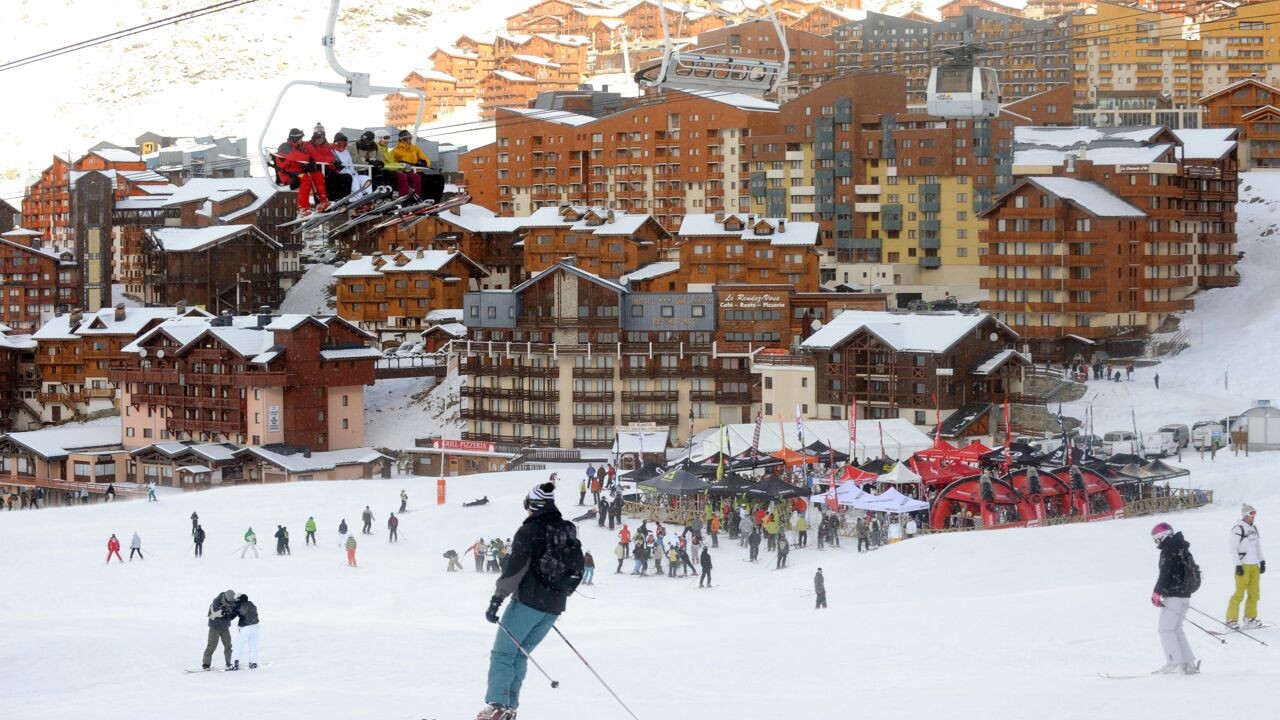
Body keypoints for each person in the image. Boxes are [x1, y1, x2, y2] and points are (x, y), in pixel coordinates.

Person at [478, 482, 582, 719]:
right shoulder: (566, 530)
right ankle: (509, 706)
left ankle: (498, 705)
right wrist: (557, 595)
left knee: (503, 653)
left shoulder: (530, 530)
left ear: (532, 505)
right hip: (555, 606)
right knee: (520, 653)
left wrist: (497, 599)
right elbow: (577, 567)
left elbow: (515, 569)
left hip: (529, 602)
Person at [1151, 522, 1200, 674]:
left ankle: (1173, 662)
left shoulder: (1168, 550)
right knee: (1176, 629)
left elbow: (1165, 573)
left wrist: (1156, 592)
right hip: (1184, 595)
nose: (1157, 543)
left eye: (1156, 539)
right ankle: (1187, 663)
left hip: (1173, 595)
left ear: (1163, 537)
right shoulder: (1182, 548)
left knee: (1165, 629)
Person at [1226, 503, 1265, 630]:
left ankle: (1250, 618)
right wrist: (1238, 565)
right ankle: (1231, 620)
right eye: (1251, 513)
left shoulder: (1254, 528)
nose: (1254, 516)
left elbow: (1257, 546)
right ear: (1245, 515)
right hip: (1243, 566)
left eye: (1255, 513)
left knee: (1254, 593)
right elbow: (1233, 548)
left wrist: (1262, 561)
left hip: (1254, 566)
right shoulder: (1238, 528)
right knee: (1239, 594)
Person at [274, 127, 328, 215]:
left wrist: (309, 165)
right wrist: (308, 159)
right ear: (295, 139)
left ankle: (322, 201)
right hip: (288, 174)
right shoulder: (284, 146)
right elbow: (295, 156)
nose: (301, 141)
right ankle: (303, 208)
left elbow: (302, 158)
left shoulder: (299, 147)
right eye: (300, 139)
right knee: (305, 179)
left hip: (298, 172)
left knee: (318, 174)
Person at [202, 589, 237, 671]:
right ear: (226, 597)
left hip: (225, 627)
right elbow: (215, 612)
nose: (231, 602)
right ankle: (206, 664)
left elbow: (231, 614)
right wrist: (225, 609)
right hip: (214, 628)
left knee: (228, 646)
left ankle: (229, 662)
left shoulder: (232, 601)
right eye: (230, 601)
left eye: (232, 601)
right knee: (211, 646)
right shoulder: (216, 601)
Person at [228, 593, 260, 671]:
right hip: (255, 627)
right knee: (252, 646)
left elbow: (231, 617)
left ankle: (234, 663)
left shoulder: (238, 606)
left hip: (245, 628)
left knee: (239, 645)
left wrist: (228, 611)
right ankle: (253, 662)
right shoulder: (251, 604)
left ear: (238, 599)